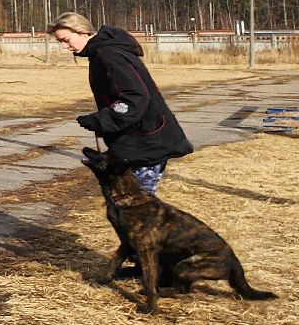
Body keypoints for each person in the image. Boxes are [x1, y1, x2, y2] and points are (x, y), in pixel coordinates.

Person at [49, 12, 192, 195]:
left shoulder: (108, 54)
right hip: (140, 140)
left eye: (66, 39)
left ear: (83, 31)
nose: (64, 47)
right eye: (60, 42)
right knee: (132, 205)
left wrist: (102, 120)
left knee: (135, 205)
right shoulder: (102, 52)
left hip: (146, 142)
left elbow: (135, 97)